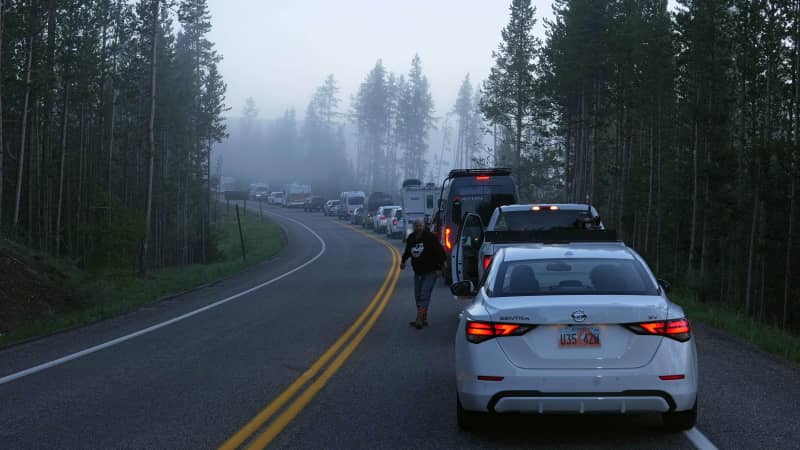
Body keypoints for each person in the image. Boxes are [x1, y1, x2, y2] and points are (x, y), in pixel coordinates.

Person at [401, 218, 446, 330]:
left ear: (424, 226)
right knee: (417, 296)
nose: (418, 227)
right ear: (413, 227)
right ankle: (423, 318)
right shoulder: (411, 238)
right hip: (418, 272)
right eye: (416, 225)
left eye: (420, 225)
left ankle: (419, 319)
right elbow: (407, 251)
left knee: (424, 295)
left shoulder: (430, 237)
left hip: (431, 271)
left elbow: (440, 252)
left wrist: (440, 268)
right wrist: (403, 261)